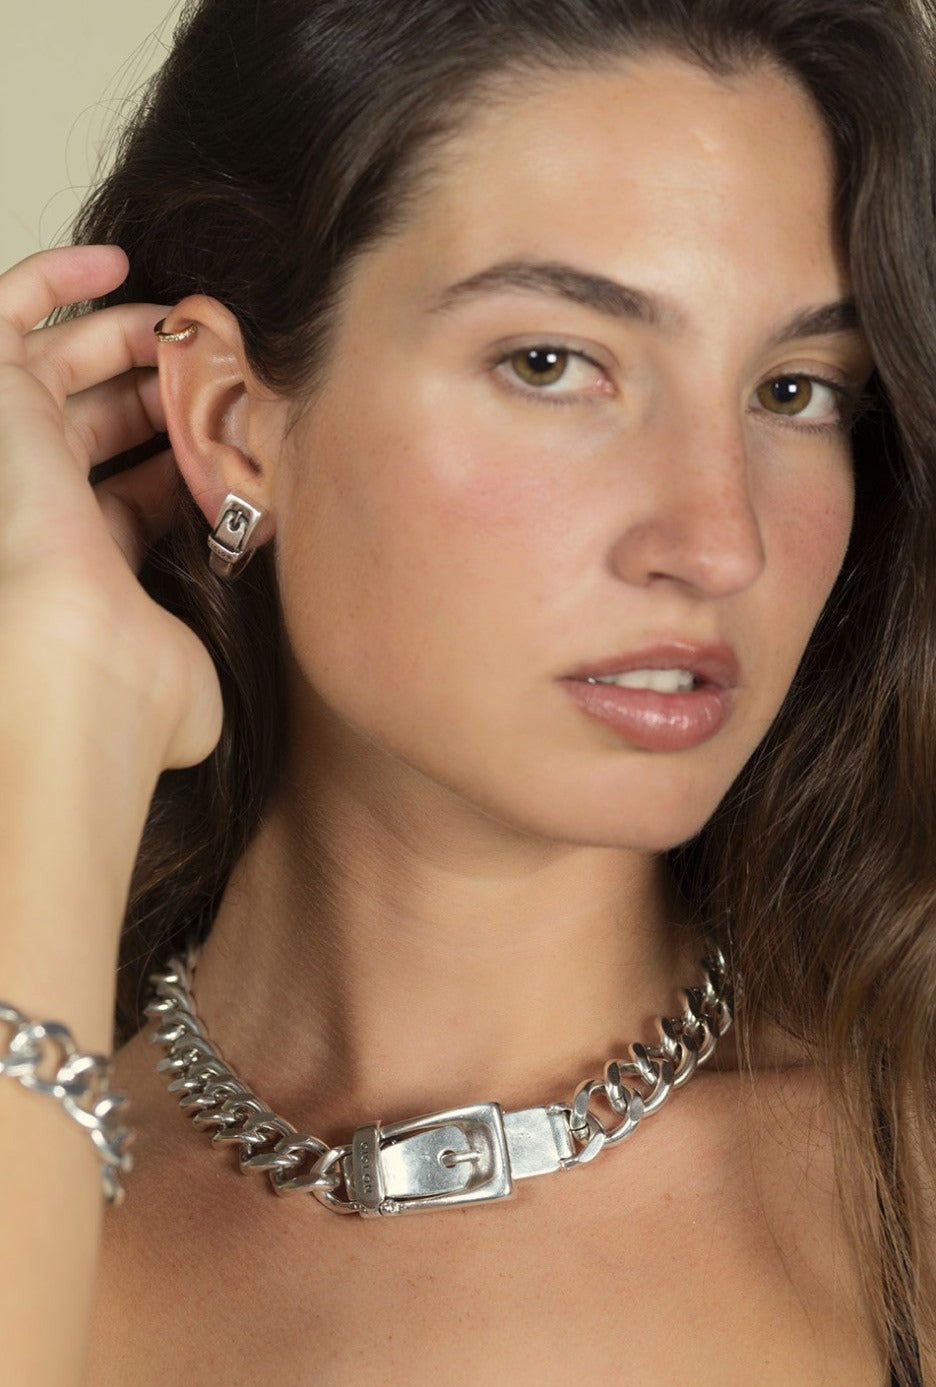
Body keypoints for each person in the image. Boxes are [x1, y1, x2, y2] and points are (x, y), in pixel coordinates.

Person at [2, 0, 935, 1382]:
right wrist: (61, 714)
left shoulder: (904, 1181)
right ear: (232, 424)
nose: (719, 541)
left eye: (795, 391)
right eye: (553, 364)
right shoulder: (43, 1180)